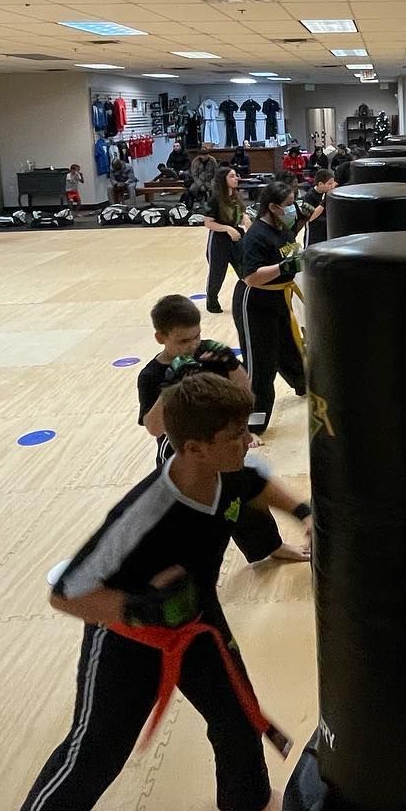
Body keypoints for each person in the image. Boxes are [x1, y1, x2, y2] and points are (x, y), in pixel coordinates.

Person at [8, 373, 315, 811]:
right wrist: (139, 609)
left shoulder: (227, 469)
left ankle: (250, 799)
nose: (247, 440)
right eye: (233, 435)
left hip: (196, 619)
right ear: (193, 448)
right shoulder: (142, 517)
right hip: (127, 637)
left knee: (236, 715)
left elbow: (257, 483)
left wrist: (304, 513)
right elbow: (65, 593)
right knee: (98, 750)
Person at [137, 295, 309, 563]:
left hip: (222, 445)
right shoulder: (152, 375)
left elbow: (245, 393)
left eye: (196, 336)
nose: (192, 345)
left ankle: (270, 546)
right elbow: (153, 427)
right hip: (181, 455)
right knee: (187, 516)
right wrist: (170, 386)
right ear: (161, 337)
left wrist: (230, 363)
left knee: (244, 495)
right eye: (183, 341)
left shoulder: (209, 355)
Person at [236, 181, 306, 435]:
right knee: (261, 364)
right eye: (289, 204)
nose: (292, 208)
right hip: (255, 301)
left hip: (279, 297)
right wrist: (283, 268)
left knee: (289, 346)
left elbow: (291, 252)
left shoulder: (282, 227)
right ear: (273, 206)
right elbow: (251, 277)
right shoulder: (256, 236)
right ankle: (253, 423)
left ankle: (303, 383)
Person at [201, 166, 247, 315]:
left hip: (237, 239)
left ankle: (249, 299)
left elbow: (242, 216)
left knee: (245, 270)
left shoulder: (236, 196)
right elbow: (208, 223)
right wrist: (227, 229)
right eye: (232, 176)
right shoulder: (215, 199)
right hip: (219, 241)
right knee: (217, 274)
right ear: (224, 180)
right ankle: (212, 301)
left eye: (235, 176)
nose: (236, 179)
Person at [299, 168, 337, 247]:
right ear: (320, 184)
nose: (332, 186)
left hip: (326, 230)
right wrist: (323, 203)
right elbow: (309, 218)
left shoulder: (328, 193)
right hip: (314, 233)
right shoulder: (309, 196)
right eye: (329, 184)